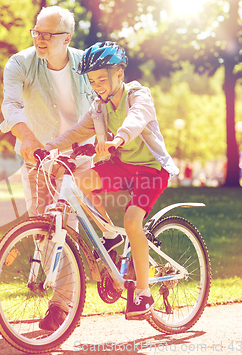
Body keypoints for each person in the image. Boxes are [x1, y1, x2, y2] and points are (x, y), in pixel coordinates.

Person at [45, 42, 179, 318]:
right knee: (78, 181)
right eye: (92, 81)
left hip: (151, 170)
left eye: (103, 79)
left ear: (120, 73)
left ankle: (143, 294)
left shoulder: (138, 95)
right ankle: (108, 236)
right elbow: (77, 132)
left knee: (132, 221)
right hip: (121, 166)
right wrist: (49, 148)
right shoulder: (99, 107)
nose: (98, 86)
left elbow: (137, 118)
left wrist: (118, 138)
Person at [0, 6, 95, 330]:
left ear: (66, 38)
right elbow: (11, 105)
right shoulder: (20, 64)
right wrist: (27, 137)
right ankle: (74, 293)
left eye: (47, 34)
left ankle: (63, 306)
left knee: (67, 229)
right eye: (36, 31)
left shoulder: (88, 64)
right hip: (37, 157)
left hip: (78, 157)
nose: (39, 39)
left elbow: (104, 104)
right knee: (43, 229)